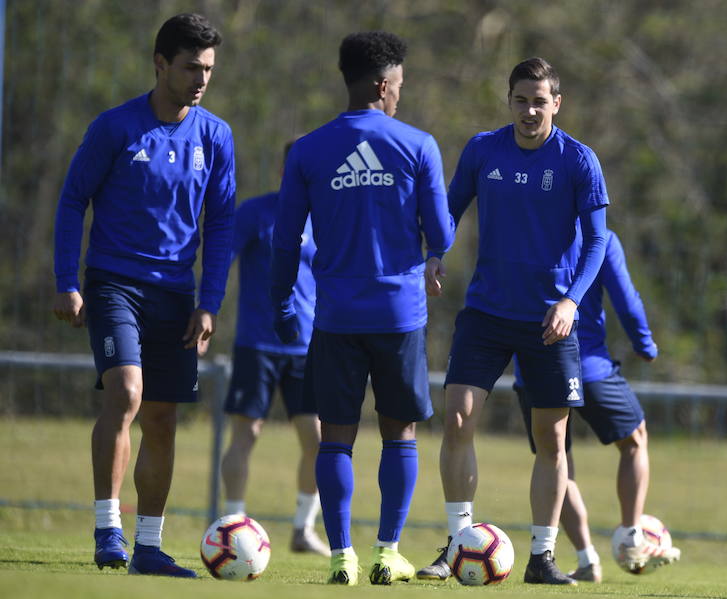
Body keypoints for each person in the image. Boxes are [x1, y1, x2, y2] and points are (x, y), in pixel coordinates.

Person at [52, 13, 235, 578]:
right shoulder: (114, 128)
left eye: (207, 69)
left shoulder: (216, 135)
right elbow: (71, 201)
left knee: (161, 419)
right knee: (126, 394)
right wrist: (67, 281)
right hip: (114, 285)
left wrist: (209, 301)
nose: (200, 79)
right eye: (189, 67)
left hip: (177, 295)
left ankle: (149, 548)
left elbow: (221, 224)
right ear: (160, 64)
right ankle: (109, 530)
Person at [270, 31, 454, 586]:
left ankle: (341, 557)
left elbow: (285, 240)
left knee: (335, 437)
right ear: (381, 85)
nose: (400, 95)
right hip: (398, 316)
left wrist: (283, 301)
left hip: (335, 316)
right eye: (398, 86)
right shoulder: (418, 144)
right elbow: (441, 231)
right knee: (399, 435)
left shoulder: (307, 149)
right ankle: (385, 552)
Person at [418, 57, 609, 585]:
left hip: (550, 320)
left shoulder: (579, 161)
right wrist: (435, 252)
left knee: (551, 441)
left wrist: (570, 301)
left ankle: (542, 558)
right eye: (521, 100)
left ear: (556, 104)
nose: (530, 110)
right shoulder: (484, 149)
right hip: (486, 312)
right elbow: (450, 210)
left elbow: (597, 242)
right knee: (457, 417)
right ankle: (458, 545)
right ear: (509, 101)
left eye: (540, 101)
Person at [514, 229, 681, 582]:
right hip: (589, 365)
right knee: (634, 439)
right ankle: (632, 535)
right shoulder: (601, 238)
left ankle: (586, 558)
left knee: (555, 459)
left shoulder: (523, 235)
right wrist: (644, 342)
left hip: (533, 366)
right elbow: (626, 298)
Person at [219, 141, 329, 557]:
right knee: (246, 435)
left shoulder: (327, 220)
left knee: (318, 442)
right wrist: (206, 309)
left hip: (307, 349)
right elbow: (220, 261)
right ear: (286, 172)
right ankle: (232, 523)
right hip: (257, 345)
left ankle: (303, 529)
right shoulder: (254, 212)